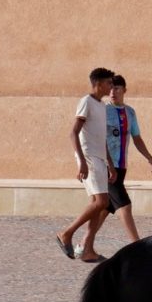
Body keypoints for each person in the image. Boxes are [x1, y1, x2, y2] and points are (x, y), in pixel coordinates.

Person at [57, 67, 115, 263]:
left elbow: (102, 137)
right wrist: (81, 161)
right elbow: (73, 132)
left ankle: (88, 249)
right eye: (108, 83)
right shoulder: (86, 102)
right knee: (102, 202)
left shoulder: (102, 106)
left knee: (97, 204)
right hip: (88, 156)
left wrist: (110, 164)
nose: (111, 87)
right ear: (98, 83)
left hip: (99, 158)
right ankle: (67, 233)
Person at [102, 74, 152, 248]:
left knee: (105, 208)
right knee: (124, 205)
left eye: (117, 88)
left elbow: (136, 137)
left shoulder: (130, 112)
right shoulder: (103, 110)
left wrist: (149, 156)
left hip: (121, 166)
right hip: (106, 165)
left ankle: (82, 243)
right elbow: (97, 138)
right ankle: (137, 247)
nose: (113, 92)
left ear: (124, 90)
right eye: (110, 88)